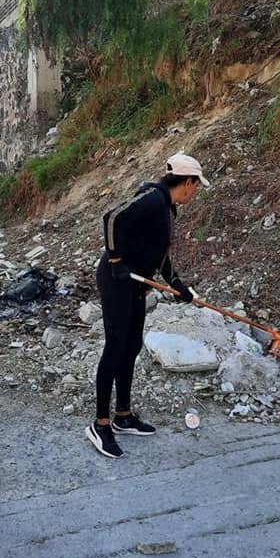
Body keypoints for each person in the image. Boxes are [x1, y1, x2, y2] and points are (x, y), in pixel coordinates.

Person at [86, 153, 210, 459]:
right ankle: (100, 424)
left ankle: (123, 416)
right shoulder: (152, 199)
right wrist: (115, 261)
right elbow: (112, 218)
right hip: (117, 280)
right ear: (187, 182)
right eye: (195, 187)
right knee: (115, 349)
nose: (195, 193)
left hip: (136, 283)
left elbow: (159, 254)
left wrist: (178, 285)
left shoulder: (167, 209)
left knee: (131, 348)